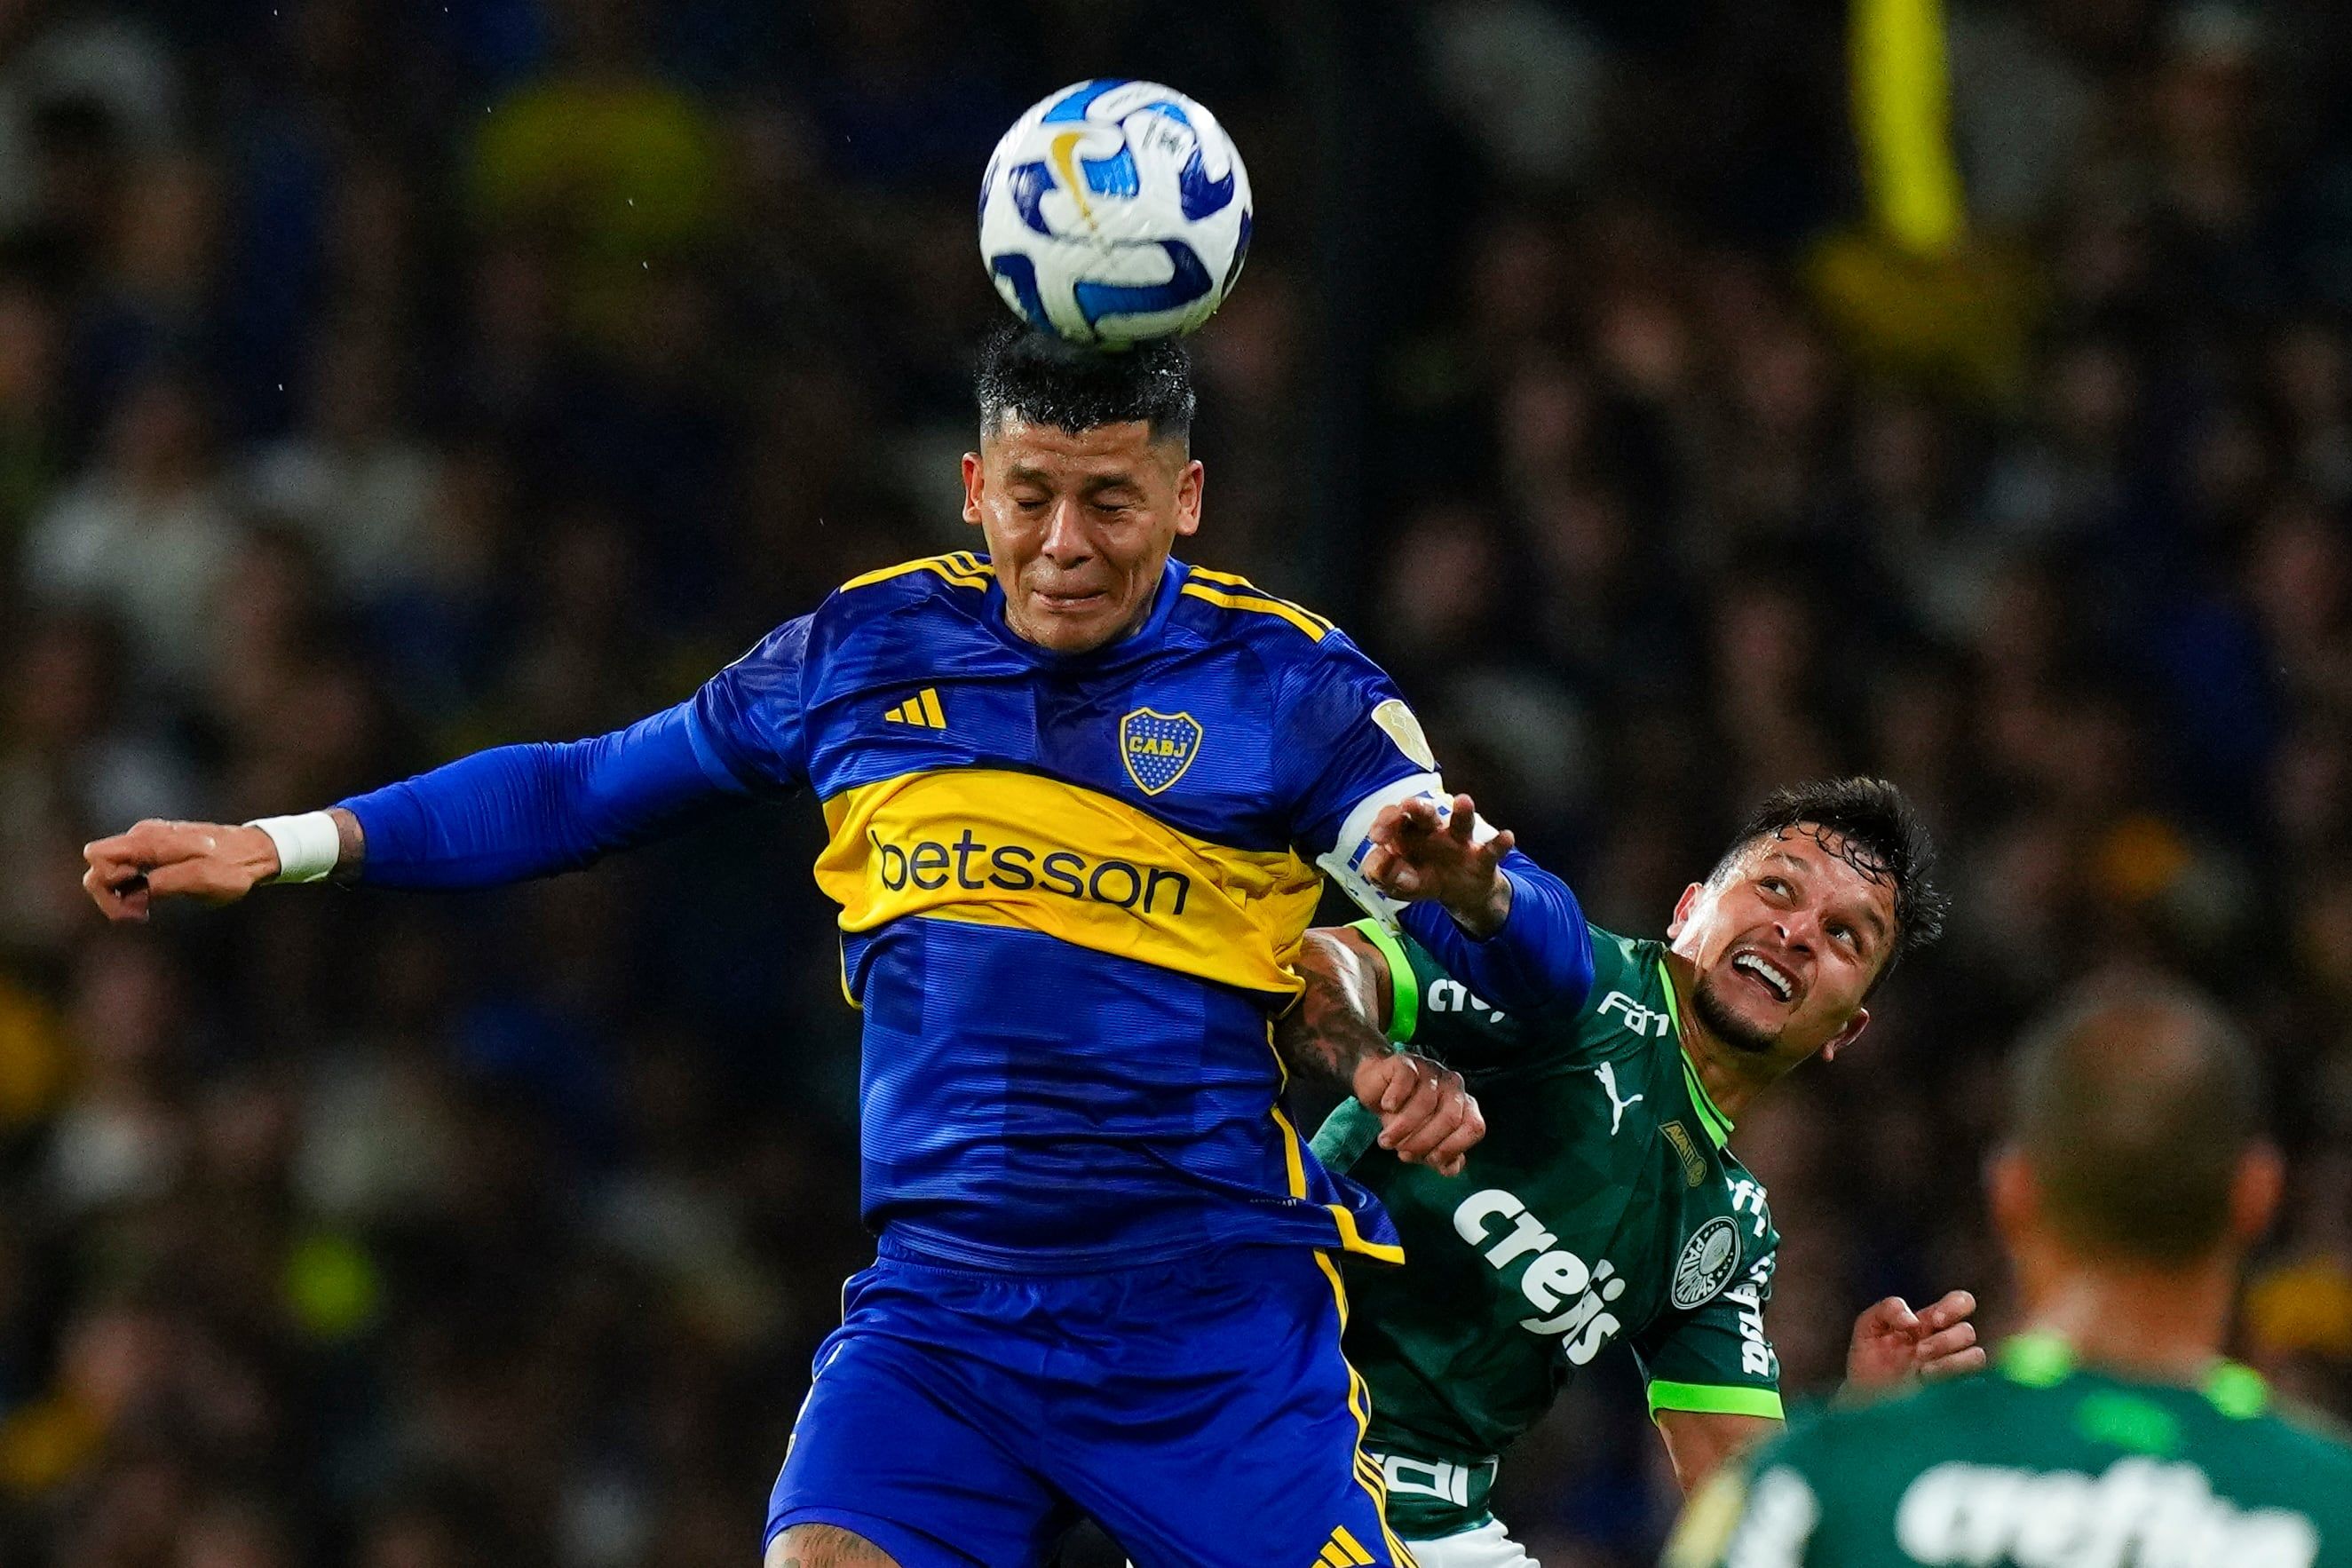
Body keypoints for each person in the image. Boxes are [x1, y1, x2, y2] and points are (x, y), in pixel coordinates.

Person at [80, 326, 1599, 1568]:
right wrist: (281, 844)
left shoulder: (1293, 687)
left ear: (1186, 499)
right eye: (1029, 495)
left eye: (1110, 502)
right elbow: (582, 784)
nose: (1063, 543)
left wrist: (1473, 895)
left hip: (1200, 1317)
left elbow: (1551, 975)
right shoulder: (864, 652)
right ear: (970, 487)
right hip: (944, 1310)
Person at [1292, 779, 1983, 1568]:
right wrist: (1374, 1063)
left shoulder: (1725, 1228)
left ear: (1848, 1028)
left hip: (1437, 1519)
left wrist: (1866, 1419)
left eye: (1843, 937)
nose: (1795, 932)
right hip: (1283, 1424)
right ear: (1688, 908)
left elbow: (1749, 1509)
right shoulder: (1569, 984)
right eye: (1776, 887)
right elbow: (1318, 966)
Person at [1666, 977, 2352, 1568]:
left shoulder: (1806, 1489)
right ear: (2257, 1196)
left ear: (2011, 1194)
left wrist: (1872, 1443)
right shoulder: (2329, 1510)